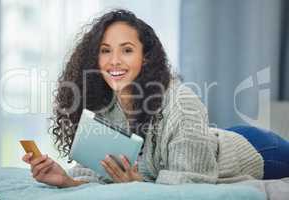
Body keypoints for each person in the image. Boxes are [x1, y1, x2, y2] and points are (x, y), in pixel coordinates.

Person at [22, 9, 289, 188]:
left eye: (126, 50)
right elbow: (98, 169)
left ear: (145, 56)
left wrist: (136, 186)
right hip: (210, 140)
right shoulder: (106, 103)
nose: (114, 60)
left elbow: (191, 185)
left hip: (259, 151)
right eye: (105, 51)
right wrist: (67, 181)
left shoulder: (181, 104)